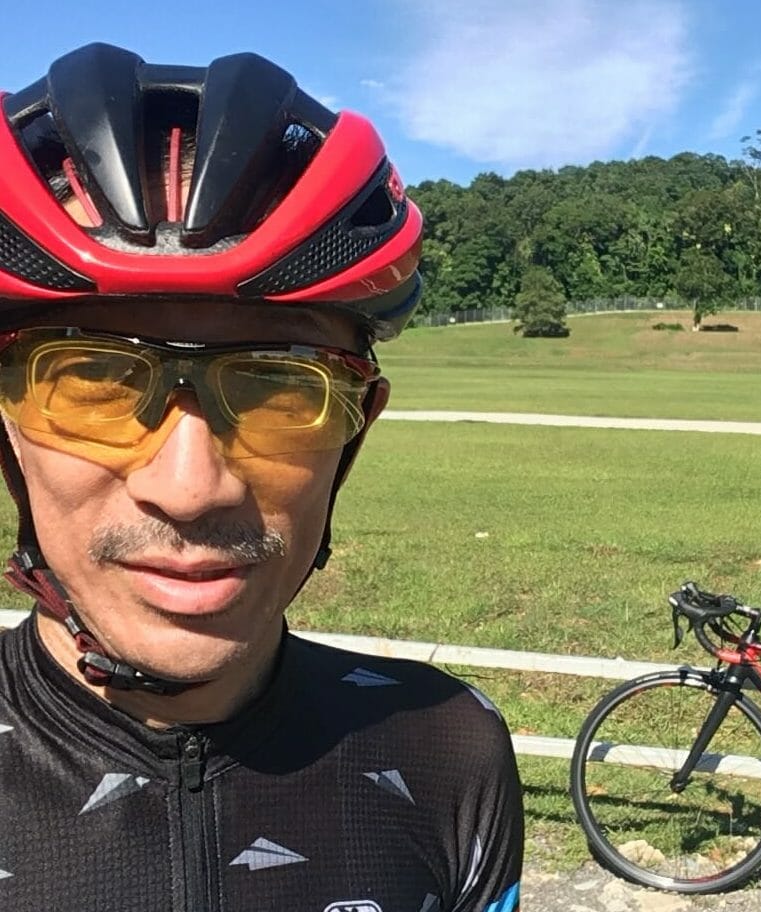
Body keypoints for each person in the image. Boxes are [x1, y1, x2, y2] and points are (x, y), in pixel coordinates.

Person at [0, 43, 523, 911]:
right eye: (92, 379)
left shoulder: (450, 752)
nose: (190, 487)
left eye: (280, 385)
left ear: (354, 434)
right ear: (8, 434)